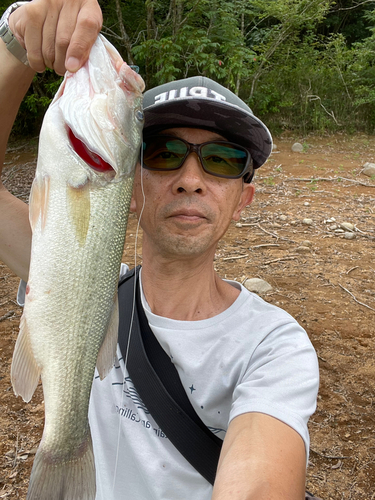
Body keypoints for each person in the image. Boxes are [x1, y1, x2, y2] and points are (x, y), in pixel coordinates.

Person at [0, 1, 320, 499]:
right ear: (130, 184)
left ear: (243, 199)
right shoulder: (82, 275)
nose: (191, 180)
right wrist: (15, 46)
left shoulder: (275, 347)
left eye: (221, 159)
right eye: (165, 152)